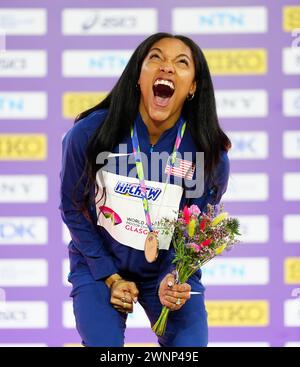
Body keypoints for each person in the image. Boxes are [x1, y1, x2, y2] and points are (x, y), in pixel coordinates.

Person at [59, 32, 231, 347]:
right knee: (102, 344)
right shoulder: (89, 134)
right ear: (138, 76)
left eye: (181, 62)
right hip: (98, 263)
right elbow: (73, 208)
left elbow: (197, 231)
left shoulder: (209, 155)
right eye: (156, 57)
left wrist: (174, 276)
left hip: (165, 271)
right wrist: (110, 276)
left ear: (192, 86)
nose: (166, 67)